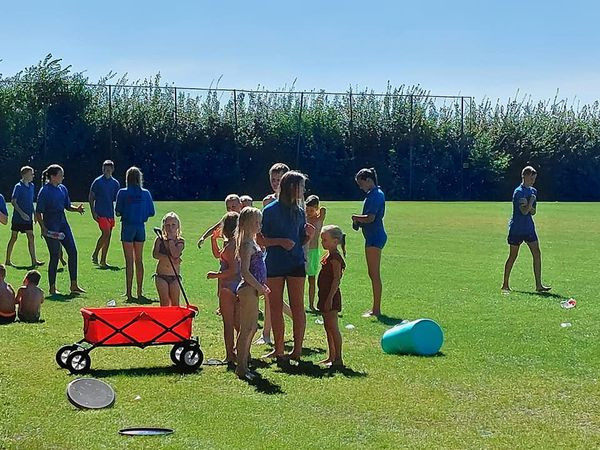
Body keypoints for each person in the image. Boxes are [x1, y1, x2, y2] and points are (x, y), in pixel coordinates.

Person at [261, 171, 315, 360]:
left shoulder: (299, 212)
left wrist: (308, 237)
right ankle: (279, 349)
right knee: (275, 307)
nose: (304, 191)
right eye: (301, 187)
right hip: (274, 264)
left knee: (298, 307)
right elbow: (260, 239)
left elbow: (298, 241)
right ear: (292, 187)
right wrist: (280, 242)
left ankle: (297, 350)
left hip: (296, 264)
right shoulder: (270, 211)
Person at [35, 164, 85, 295]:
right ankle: (52, 288)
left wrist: (77, 209)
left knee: (73, 252)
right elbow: (38, 212)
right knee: (55, 255)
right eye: (60, 175)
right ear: (53, 177)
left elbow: (67, 206)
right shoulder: (44, 191)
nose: (63, 177)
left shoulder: (63, 189)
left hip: (63, 225)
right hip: (51, 227)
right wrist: (43, 228)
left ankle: (74, 285)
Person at [502, 166, 551, 293]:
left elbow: (533, 212)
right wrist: (531, 202)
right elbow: (524, 212)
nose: (533, 181)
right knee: (513, 256)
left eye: (534, 179)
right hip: (517, 229)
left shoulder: (533, 191)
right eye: (531, 178)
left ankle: (539, 285)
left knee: (537, 253)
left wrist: (529, 204)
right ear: (525, 176)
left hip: (529, 228)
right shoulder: (518, 192)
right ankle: (505, 284)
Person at [235, 207, 270, 379]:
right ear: (247, 224)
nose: (259, 225)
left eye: (260, 222)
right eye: (256, 222)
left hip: (254, 289)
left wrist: (261, 286)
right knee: (247, 329)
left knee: (253, 328)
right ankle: (241, 367)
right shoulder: (246, 244)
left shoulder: (253, 241)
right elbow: (245, 272)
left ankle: (245, 364)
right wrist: (259, 287)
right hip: (248, 289)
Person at [115, 166, 155, 301]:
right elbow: (151, 212)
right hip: (140, 227)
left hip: (127, 227)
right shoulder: (146, 193)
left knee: (129, 261)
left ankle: (128, 292)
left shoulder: (122, 193)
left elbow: (118, 212)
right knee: (139, 260)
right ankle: (139, 291)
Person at [352, 168, 386, 318]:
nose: (360, 187)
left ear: (368, 180)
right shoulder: (372, 194)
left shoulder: (376, 195)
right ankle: (375, 308)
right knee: (372, 273)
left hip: (375, 237)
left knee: (374, 274)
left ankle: (376, 310)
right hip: (372, 236)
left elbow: (370, 218)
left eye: (361, 183)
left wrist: (356, 218)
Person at [207, 212, 241, 364]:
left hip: (229, 287)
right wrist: (213, 240)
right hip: (239, 286)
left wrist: (216, 275)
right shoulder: (237, 243)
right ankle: (242, 352)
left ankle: (230, 355)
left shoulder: (231, 247)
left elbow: (233, 270)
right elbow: (218, 255)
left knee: (229, 323)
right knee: (239, 323)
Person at [317, 225, 346, 368]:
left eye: (325, 240)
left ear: (335, 241)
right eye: (322, 240)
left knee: (333, 327)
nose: (322, 242)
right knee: (327, 327)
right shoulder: (328, 255)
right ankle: (331, 356)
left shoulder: (335, 258)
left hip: (331, 296)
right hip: (324, 295)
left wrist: (329, 298)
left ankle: (338, 358)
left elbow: (336, 279)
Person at [5, 166, 44, 268]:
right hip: (18, 218)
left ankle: (34, 261)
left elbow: (31, 201)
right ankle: (7, 260)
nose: (33, 176)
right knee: (14, 237)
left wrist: (34, 213)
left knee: (31, 236)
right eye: (31, 174)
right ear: (25, 175)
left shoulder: (31, 186)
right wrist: (21, 213)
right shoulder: (18, 186)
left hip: (28, 218)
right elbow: (13, 201)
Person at [89, 160, 121, 268]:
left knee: (108, 237)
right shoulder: (98, 182)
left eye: (109, 169)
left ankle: (103, 261)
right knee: (106, 233)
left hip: (110, 213)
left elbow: (118, 199)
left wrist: (119, 210)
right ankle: (95, 254)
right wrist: (93, 212)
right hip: (100, 212)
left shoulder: (115, 183)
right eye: (105, 168)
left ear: (112, 169)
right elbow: (91, 197)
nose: (107, 170)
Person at [152, 212, 185, 306]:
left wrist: (170, 240)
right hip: (161, 276)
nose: (170, 228)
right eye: (167, 225)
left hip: (174, 277)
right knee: (164, 302)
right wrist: (167, 257)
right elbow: (155, 254)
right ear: (164, 227)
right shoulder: (159, 240)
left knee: (175, 303)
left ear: (178, 226)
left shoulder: (180, 241)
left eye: (173, 225)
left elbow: (175, 254)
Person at [305, 195, 326, 312]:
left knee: (312, 279)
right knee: (299, 278)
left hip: (313, 252)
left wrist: (316, 209)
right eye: (307, 210)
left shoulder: (319, 219)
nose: (308, 213)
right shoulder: (304, 218)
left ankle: (311, 304)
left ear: (316, 208)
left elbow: (323, 210)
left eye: (311, 210)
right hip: (303, 251)